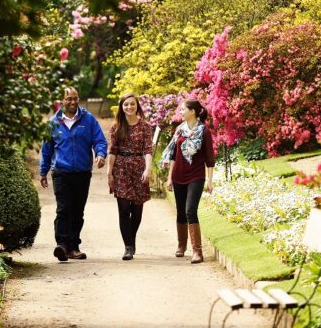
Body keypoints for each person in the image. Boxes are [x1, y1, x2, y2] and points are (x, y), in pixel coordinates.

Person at [40, 87, 108, 261]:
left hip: (82, 172)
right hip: (61, 172)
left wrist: (100, 154)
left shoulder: (88, 119)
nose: (72, 102)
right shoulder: (53, 123)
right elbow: (47, 150)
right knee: (63, 209)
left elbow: (99, 140)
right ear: (62, 101)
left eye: (75, 98)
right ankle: (62, 245)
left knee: (78, 211)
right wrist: (43, 171)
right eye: (69, 99)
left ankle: (73, 247)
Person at [161, 99, 214, 264]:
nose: (181, 111)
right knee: (181, 212)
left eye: (183, 109)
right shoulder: (179, 130)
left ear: (192, 111)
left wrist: (209, 181)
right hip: (178, 176)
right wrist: (170, 177)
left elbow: (210, 159)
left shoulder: (204, 131)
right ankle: (181, 245)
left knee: (190, 210)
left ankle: (197, 251)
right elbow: (173, 156)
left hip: (196, 176)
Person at [107, 93, 153, 261]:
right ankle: (128, 247)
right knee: (124, 209)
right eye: (126, 105)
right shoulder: (116, 127)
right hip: (121, 169)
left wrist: (148, 169)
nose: (129, 107)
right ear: (121, 107)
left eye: (132, 104)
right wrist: (109, 172)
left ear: (137, 106)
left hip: (138, 168)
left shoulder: (145, 127)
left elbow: (148, 150)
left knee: (137, 210)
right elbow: (112, 151)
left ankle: (131, 239)